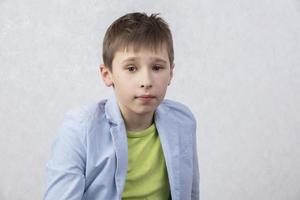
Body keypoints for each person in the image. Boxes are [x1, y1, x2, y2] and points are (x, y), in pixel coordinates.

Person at [44, 12, 199, 200]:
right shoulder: (79, 129)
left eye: (157, 68)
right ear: (107, 74)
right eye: (131, 68)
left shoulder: (182, 121)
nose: (146, 81)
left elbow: (190, 193)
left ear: (171, 73)